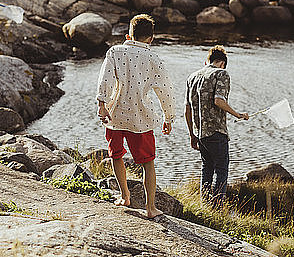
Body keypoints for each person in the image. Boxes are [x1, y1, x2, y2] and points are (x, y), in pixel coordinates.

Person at [96, 14, 175, 219]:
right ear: (151, 38)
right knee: (148, 162)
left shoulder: (115, 51)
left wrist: (102, 104)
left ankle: (125, 196)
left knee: (116, 154)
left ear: (128, 35)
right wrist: (168, 117)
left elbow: (105, 78)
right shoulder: (154, 59)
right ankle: (150, 207)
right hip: (141, 117)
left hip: (116, 115)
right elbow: (165, 91)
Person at [184, 45, 249, 206]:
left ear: (208, 61)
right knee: (221, 170)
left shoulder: (193, 77)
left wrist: (192, 134)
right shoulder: (222, 73)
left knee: (206, 169)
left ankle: (205, 205)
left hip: (200, 134)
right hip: (216, 131)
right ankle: (218, 207)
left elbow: (187, 109)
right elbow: (219, 100)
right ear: (223, 63)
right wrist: (239, 115)